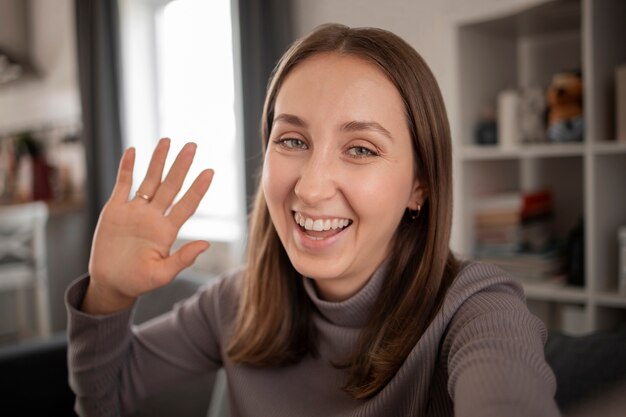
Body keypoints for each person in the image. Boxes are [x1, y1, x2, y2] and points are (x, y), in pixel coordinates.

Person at [66, 23, 560, 417]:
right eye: (293, 141)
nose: (310, 186)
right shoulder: (236, 302)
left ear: (419, 185)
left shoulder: (475, 312)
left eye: (361, 149)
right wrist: (108, 295)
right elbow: (104, 393)